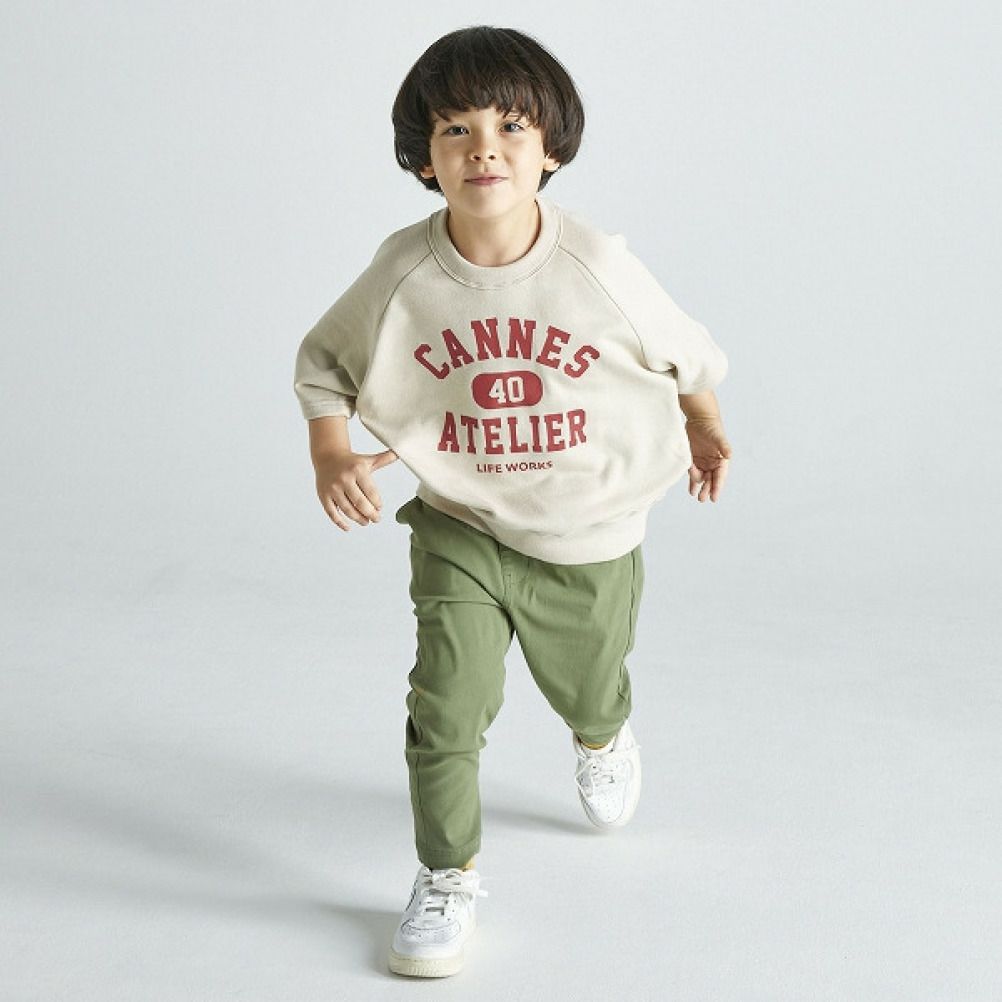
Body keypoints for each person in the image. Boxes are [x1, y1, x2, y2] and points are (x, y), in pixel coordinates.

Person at [292, 25, 732, 978]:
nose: (483, 148)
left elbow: (688, 354)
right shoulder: (403, 271)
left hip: (587, 529)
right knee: (445, 705)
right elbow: (324, 364)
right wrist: (331, 452)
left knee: (588, 683)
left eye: (510, 127)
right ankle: (446, 874)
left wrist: (702, 424)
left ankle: (601, 733)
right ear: (424, 160)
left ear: (552, 149)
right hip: (461, 524)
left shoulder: (596, 264)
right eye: (456, 129)